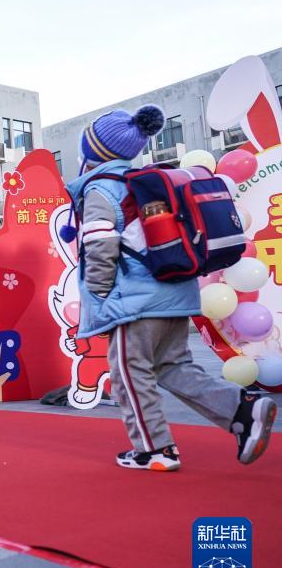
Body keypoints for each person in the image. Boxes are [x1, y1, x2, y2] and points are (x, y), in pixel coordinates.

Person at [65, 104, 275, 471]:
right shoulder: (145, 184)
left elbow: (100, 245)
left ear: (93, 151)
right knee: (173, 367)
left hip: (134, 302)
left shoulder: (101, 189)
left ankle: (155, 449)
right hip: (176, 291)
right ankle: (243, 409)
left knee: (129, 375)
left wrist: (99, 294)